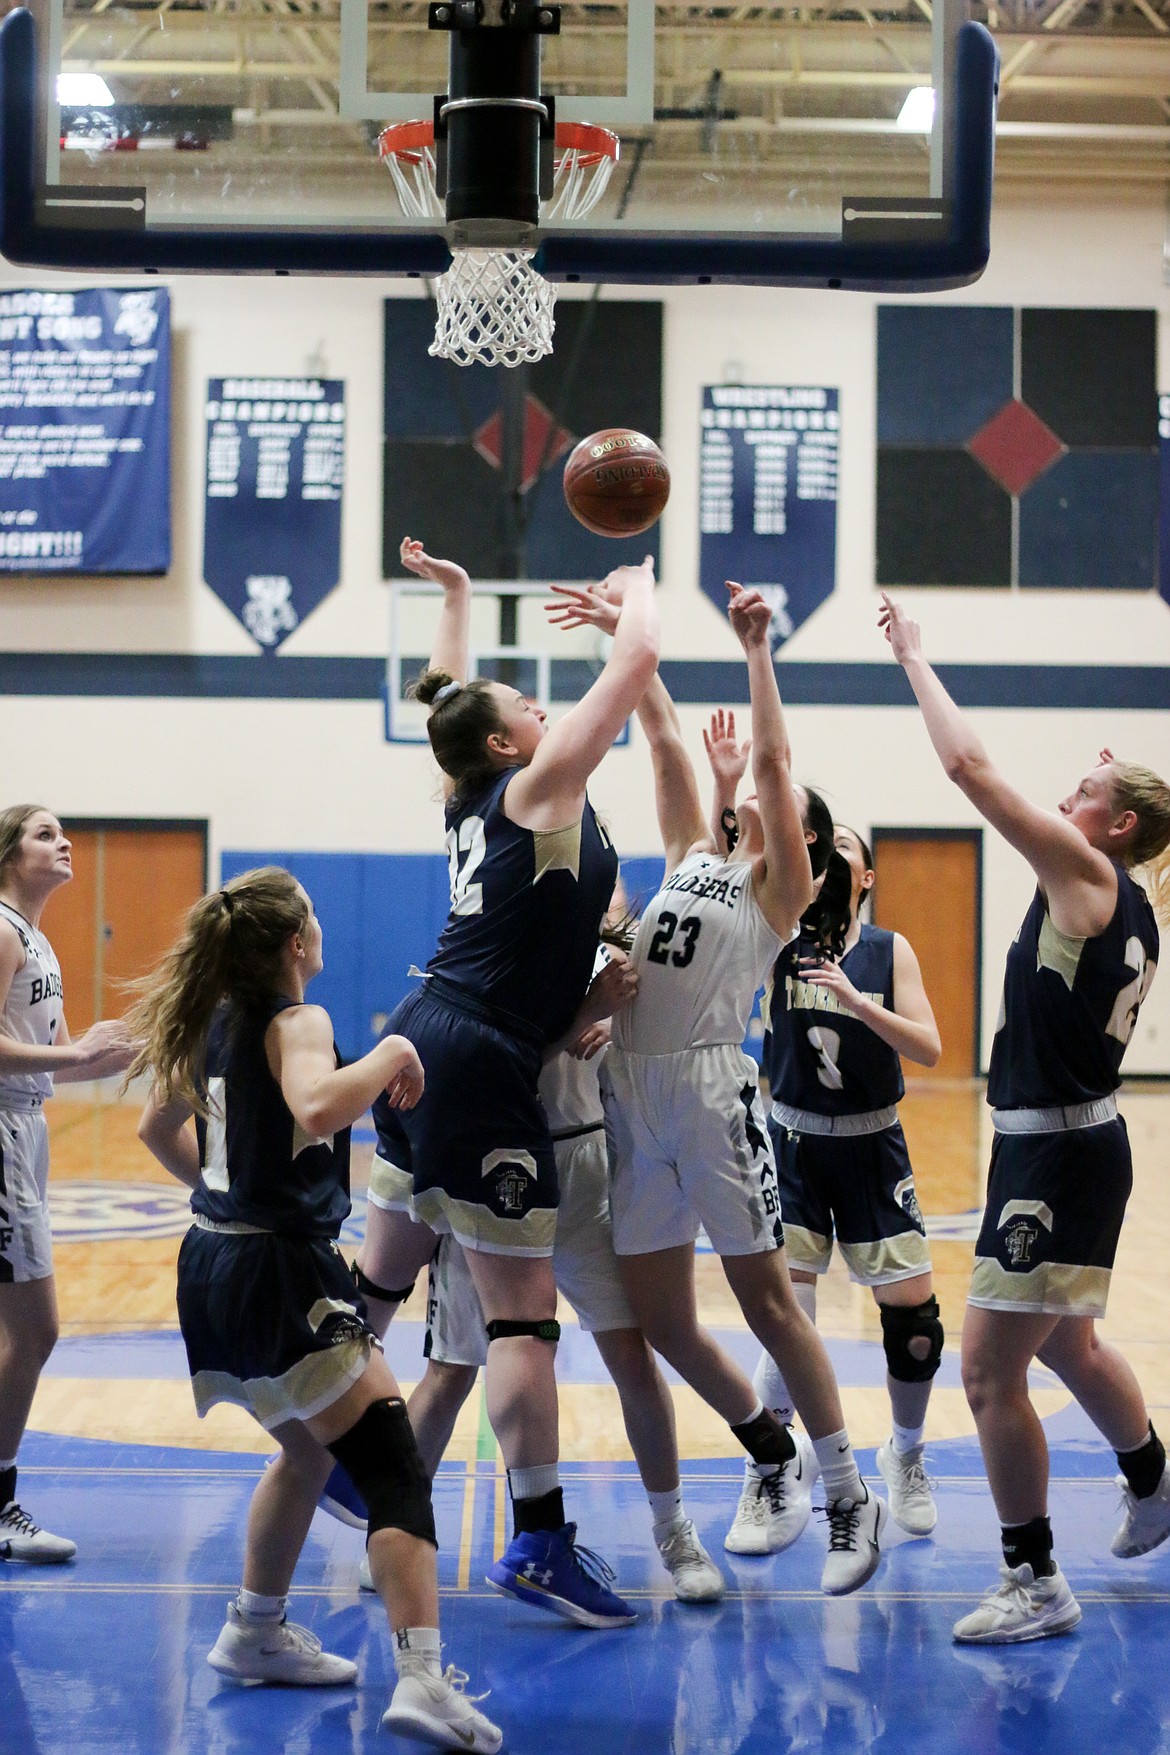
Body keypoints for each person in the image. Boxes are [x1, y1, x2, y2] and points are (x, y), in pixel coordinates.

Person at [550, 576, 888, 1596]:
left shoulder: (782, 887)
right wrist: (628, 650)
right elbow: (658, 744)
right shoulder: (699, 855)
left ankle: (844, 1494)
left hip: (707, 1097)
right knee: (660, 1318)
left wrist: (757, 648)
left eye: (767, 805)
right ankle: (770, 1456)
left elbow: (778, 765)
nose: (747, 795)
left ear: (803, 844)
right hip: (629, 1090)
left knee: (770, 1307)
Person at [353, 537, 659, 1630]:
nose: (543, 704)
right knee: (522, 1324)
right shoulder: (533, 788)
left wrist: (462, 595)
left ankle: (343, 1461)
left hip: (431, 1032)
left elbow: (445, 697)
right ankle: (537, 1541)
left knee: (384, 1287)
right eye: (526, 700)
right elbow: (634, 666)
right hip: (479, 1056)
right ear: (505, 741)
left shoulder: (472, 788)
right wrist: (635, 588)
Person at [129, 866, 501, 1752]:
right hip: (277, 1270)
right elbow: (314, 1101)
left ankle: (254, 1628)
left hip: (213, 1261)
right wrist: (390, 1056)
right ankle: (420, 1677)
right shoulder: (303, 1019)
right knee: (391, 1462)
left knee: (305, 1449)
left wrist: (230, 1194)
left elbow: (153, 1127)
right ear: (297, 942)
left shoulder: (209, 1019)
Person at [880, 591, 1170, 1645]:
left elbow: (968, 771)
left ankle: (1034, 1578)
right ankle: (1152, 1476)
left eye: (1086, 790)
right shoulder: (1123, 891)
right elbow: (1069, 801)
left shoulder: (1090, 873)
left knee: (990, 1372)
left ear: (1119, 826)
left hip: (1057, 1150)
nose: (1066, 795)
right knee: (1070, 1348)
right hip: (1072, 1140)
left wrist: (915, 657)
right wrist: (1107, 784)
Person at [399, 901, 725, 1606]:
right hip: (494, 1169)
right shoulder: (491, 956)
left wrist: (615, 1026)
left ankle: (673, 1530)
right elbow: (495, 1063)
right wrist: (582, 1016)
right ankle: (396, 1526)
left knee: (630, 1356)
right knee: (450, 1369)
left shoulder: (623, 961)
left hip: (584, 1167)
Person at [703, 725, 944, 1547]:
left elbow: (931, 1046)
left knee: (914, 1321)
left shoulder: (889, 948)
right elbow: (723, 856)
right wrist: (725, 780)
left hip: (874, 1142)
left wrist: (858, 998)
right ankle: (770, 1473)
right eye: (825, 845)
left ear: (868, 874)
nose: (836, 857)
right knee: (784, 1310)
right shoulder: (775, 931)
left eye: (850, 849)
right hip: (795, 1141)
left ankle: (905, 1455)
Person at [0, 805, 136, 1565]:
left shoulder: (37, 937)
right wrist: (75, 1055)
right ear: (8, 852)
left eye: (65, 832)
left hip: (27, 1127)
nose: (65, 842)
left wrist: (126, 1048)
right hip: (2, 1128)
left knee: (15, 1330)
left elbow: (60, 1053)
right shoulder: (2, 927)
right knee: (36, 1328)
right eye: (45, 833)